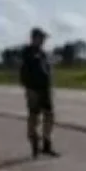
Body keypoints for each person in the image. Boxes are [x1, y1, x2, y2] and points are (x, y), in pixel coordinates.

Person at [19, 27, 59, 158]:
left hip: (45, 89)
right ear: (34, 38)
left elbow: (47, 69)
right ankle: (34, 144)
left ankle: (47, 144)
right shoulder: (27, 52)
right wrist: (28, 88)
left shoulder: (43, 53)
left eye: (43, 38)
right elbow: (26, 70)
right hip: (33, 89)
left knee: (50, 116)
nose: (43, 41)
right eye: (41, 38)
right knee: (34, 117)